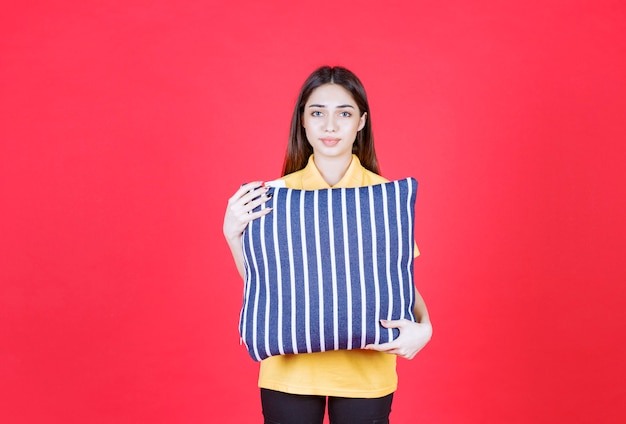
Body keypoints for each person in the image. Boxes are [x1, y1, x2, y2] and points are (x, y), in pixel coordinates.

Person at [223, 66, 432, 424]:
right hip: (289, 374)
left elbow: (399, 283)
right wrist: (232, 234)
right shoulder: (271, 197)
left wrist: (425, 328)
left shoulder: (385, 198)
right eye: (317, 113)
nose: (330, 126)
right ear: (302, 121)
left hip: (367, 373)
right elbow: (265, 288)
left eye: (344, 113)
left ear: (361, 122)